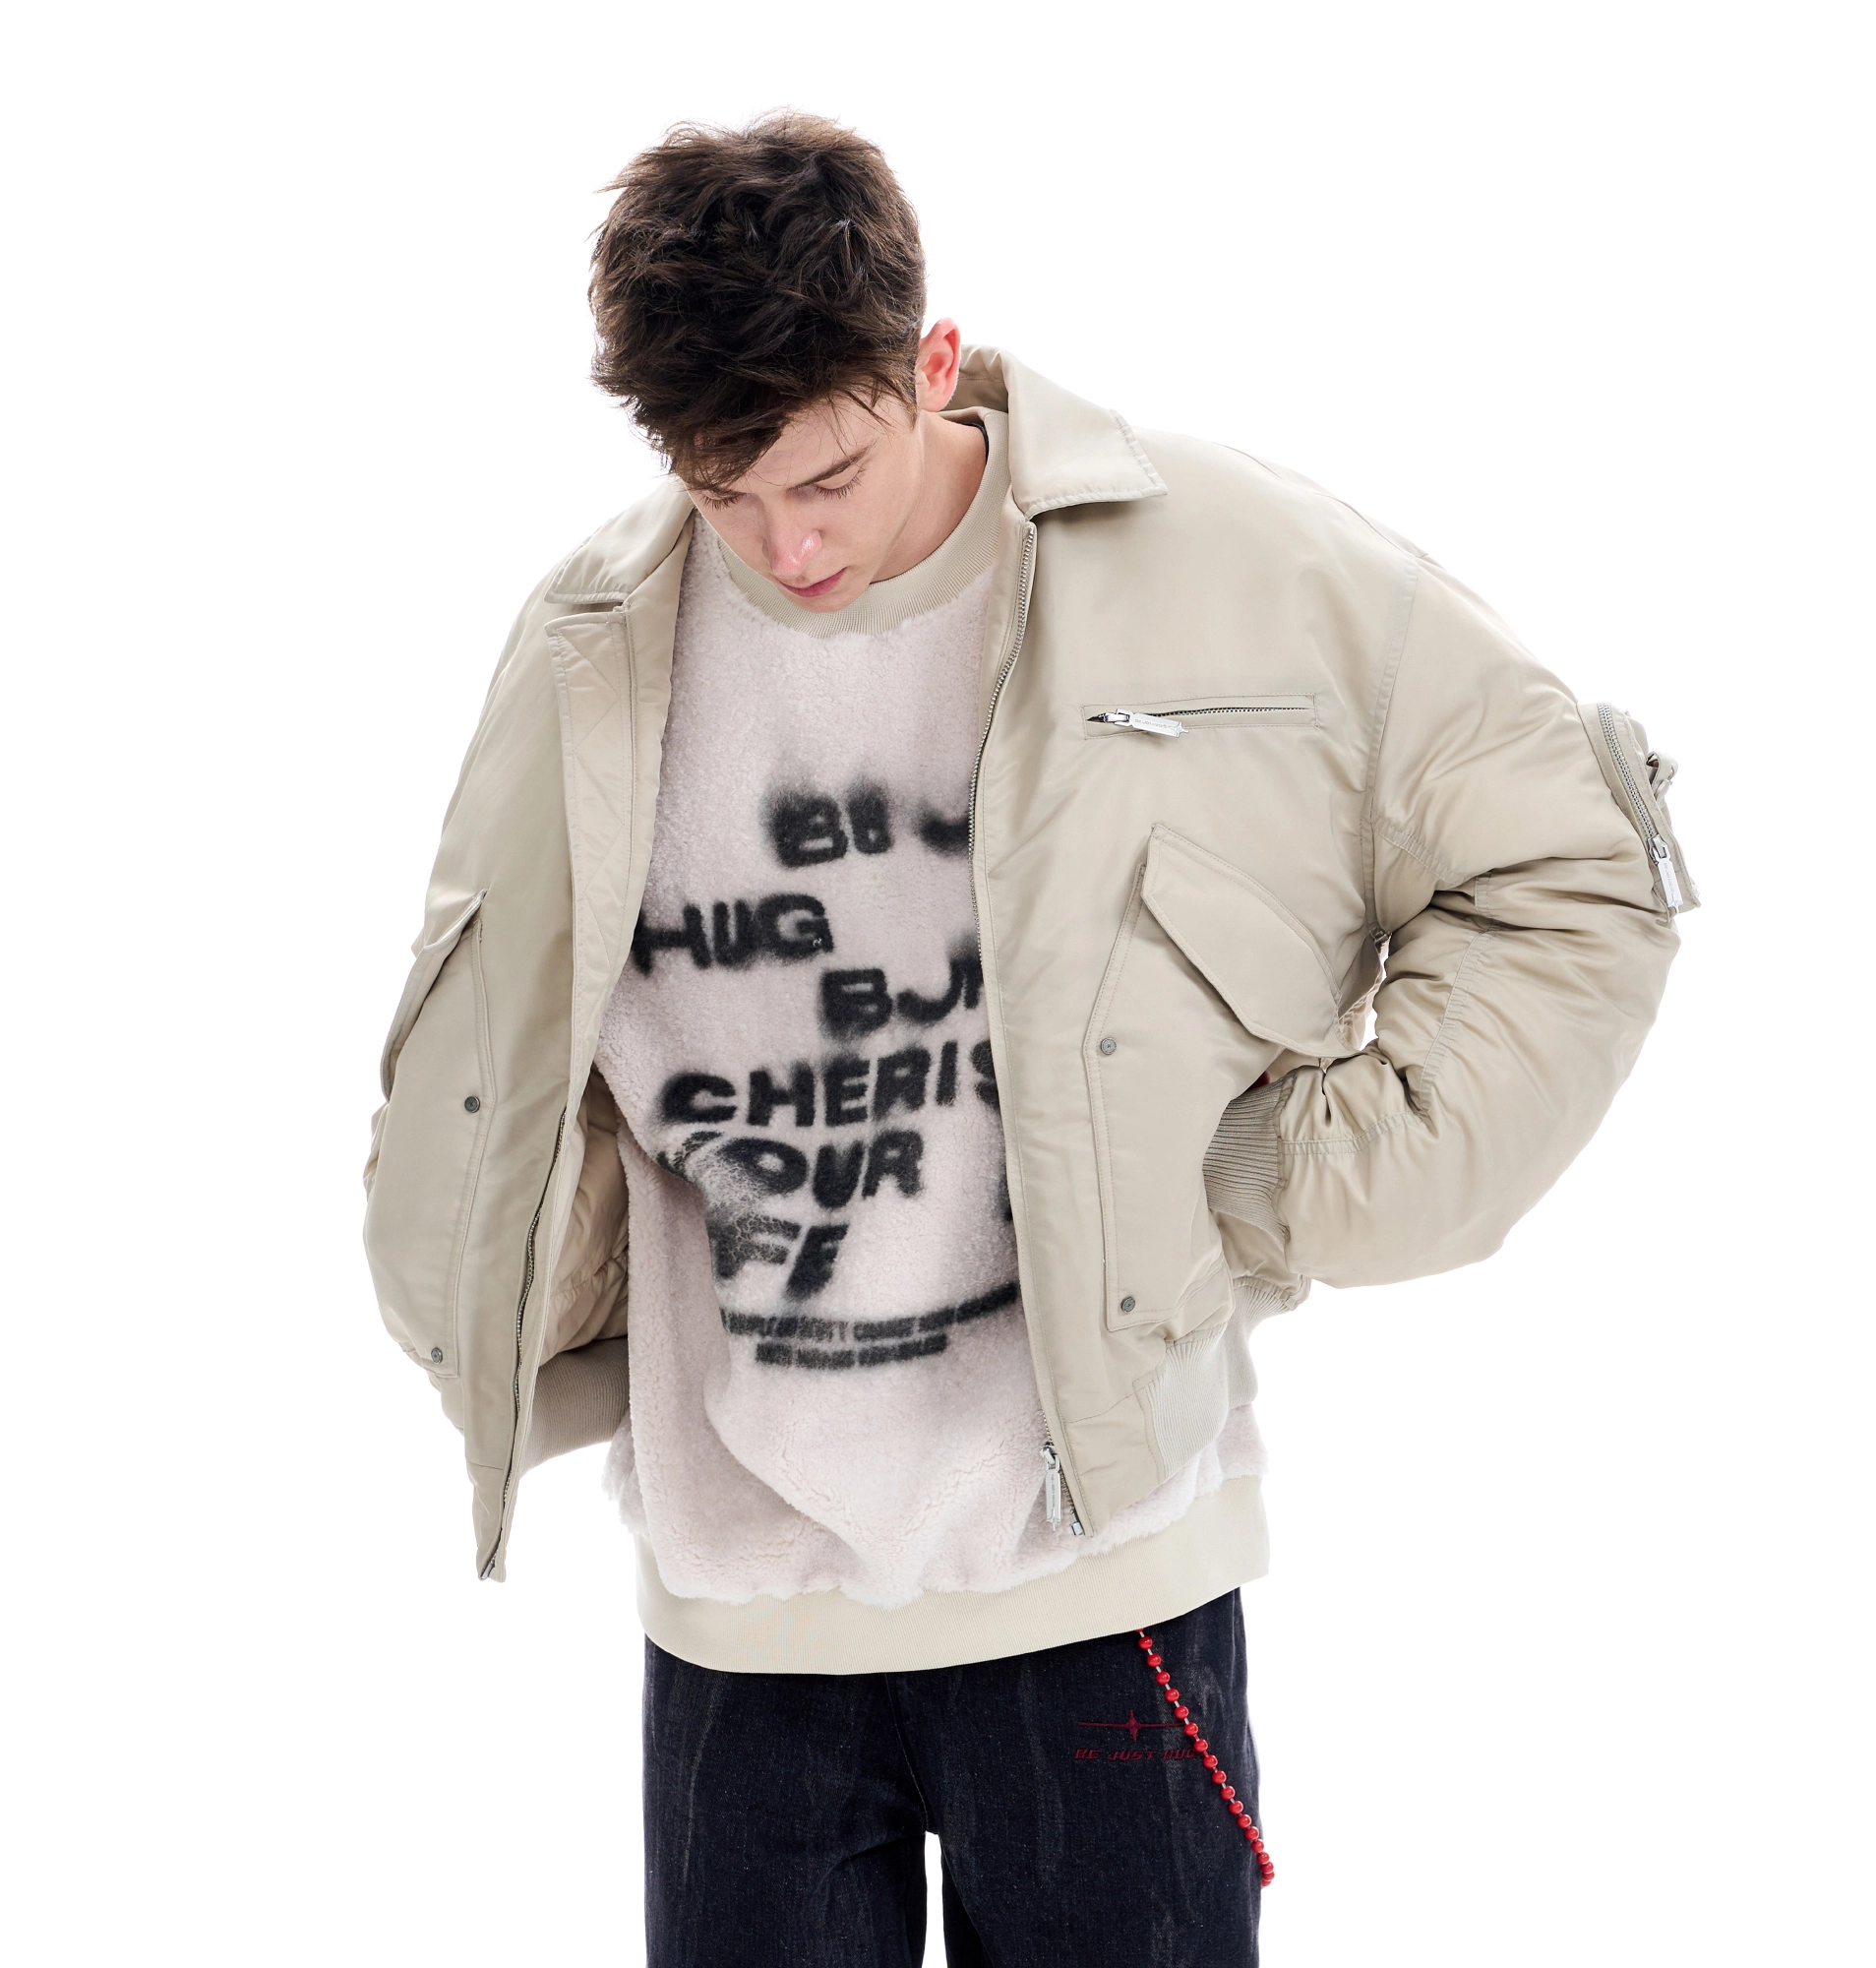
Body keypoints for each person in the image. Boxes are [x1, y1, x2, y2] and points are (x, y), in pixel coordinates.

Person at [363, 112, 1695, 1966]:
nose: (785, 545)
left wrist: (1282, 1178)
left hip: (1100, 1593)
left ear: (931, 361)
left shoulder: (1225, 564)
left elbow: (1574, 864)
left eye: (828, 475)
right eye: (724, 493)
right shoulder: (594, 639)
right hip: (740, 1617)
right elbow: (490, 1041)